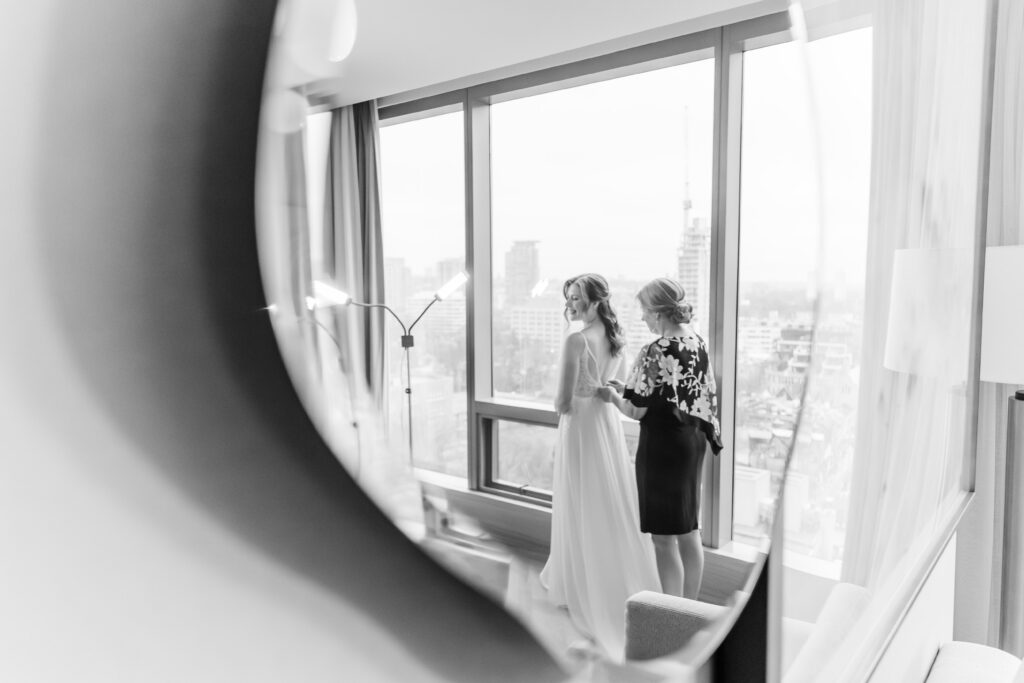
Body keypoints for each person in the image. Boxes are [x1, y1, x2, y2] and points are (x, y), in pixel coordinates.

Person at [539, 273, 661, 660]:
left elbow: (562, 401)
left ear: (594, 301)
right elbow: (616, 387)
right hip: (605, 422)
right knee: (606, 500)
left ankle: (582, 585)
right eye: (569, 297)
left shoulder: (576, 340)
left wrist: (562, 399)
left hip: (579, 425)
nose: (570, 303)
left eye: (576, 297)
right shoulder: (615, 338)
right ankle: (614, 577)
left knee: (580, 500)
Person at [598, 277, 723, 600]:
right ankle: (690, 607)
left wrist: (611, 396)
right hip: (691, 443)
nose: (642, 318)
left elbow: (636, 410)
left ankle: (670, 610)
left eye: (643, 311)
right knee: (689, 530)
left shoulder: (654, 350)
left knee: (663, 539)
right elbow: (682, 393)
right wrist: (626, 388)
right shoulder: (697, 341)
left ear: (657, 312)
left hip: (662, 449)